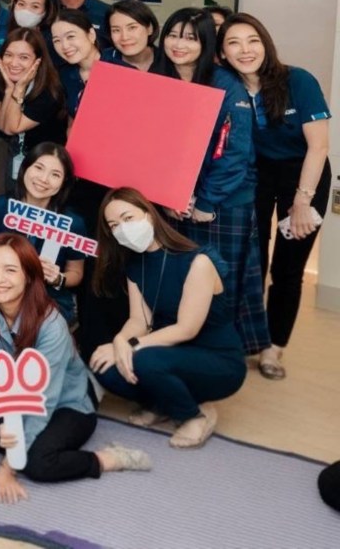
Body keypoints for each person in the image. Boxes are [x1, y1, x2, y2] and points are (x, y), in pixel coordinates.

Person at [0, 235, 151, 504]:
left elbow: (42, 401)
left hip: (65, 402)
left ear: (30, 276)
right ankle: (16, 438)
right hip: (11, 394)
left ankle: (106, 459)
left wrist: (8, 467)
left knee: (36, 463)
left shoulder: (52, 326)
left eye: (10, 270)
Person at [152, 8, 270, 358]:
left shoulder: (226, 84)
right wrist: (168, 194)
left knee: (220, 284)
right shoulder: (159, 79)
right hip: (173, 202)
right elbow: (152, 146)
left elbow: (233, 153)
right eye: (173, 35)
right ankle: (178, 351)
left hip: (222, 203)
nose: (179, 44)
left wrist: (205, 201)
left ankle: (220, 358)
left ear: (206, 43)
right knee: (176, 279)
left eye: (191, 38)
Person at [219, 13, 330, 380]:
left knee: (288, 268)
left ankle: (274, 347)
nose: (245, 50)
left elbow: (318, 147)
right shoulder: (226, 86)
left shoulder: (298, 80)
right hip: (256, 174)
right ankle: (247, 337)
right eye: (233, 43)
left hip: (304, 174)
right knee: (253, 259)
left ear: (265, 43)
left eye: (252, 40)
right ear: (222, 53)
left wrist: (302, 202)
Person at [91, 188, 246, 448]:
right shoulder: (135, 265)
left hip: (218, 359)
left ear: (149, 215)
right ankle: (163, 403)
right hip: (171, 353)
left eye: (128, 218)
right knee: (103, 365)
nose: (122, 229)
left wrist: (130, 346)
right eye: (114, 225)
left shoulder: (198, 261)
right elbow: (139, 321)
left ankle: (194, 415)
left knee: (143, 360)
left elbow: (186, 329)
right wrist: (119, 341)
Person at [0, 142, 87, 322]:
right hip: (1, 291)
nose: (44, 179)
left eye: (55, 174)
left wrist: (58, 278)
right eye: (39, 168)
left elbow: (76, 272)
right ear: (24, 168)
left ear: (64, 182)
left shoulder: (72, 223)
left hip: (48, 299)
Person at [0, 28, 68, 185]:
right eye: (8, 55)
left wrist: (18, 90)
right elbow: (2, 124)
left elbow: (12, 128)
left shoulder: (50, 92)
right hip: (16, 154)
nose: (14, 63)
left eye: (24, 57)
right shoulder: (4, 80)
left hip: (46, 163)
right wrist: (9, 90)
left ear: (38, 61)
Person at [50, 9, 103, 121]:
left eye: (70, 36)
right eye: (57, 41)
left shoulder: (119, 69)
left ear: (91, 35)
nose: (64, 46)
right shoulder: (64, 75)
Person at [103, 0, 159, 72]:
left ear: (149, 29)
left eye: (132, 28)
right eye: (116, 30)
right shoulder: (102, 60)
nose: (124, 37)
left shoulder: (168, 60)